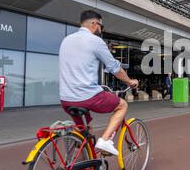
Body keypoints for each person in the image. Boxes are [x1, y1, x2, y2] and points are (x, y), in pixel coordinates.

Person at [59, 10, 138, 156]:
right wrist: (130, 81)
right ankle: (105, 141)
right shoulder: (95, 41)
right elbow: (115, 68)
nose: (101, 30)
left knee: (85, 130)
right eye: (101, 26)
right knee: (122, 105)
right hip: (87, 96)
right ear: (95, 24)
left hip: (66, 99)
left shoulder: (66, 40)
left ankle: (85, 165)